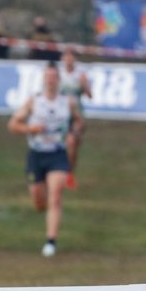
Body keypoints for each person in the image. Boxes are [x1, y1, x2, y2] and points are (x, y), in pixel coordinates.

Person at [7, 62, 82, 258]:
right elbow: (13, 124)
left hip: (57, 154)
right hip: (36, 154)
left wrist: (73, 134)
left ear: (58, 80)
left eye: (53, 77)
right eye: (47, 77)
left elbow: (78, 121)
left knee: (55, 197)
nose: (50, 80)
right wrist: (30, 129)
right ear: (43, 80)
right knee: (39, 202)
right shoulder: (34, 101)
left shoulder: (68, 102)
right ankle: (43, 206)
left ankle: (51, 241)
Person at [58, 47, 92, 189]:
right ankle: (57, 172)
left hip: (76, 114)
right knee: (61, 144)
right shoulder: (58, 74)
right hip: (60, 114)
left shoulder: (80, 75)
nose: (68, 59)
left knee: (73, 145)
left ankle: (70, 174)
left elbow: (90, 95)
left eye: (71, 56)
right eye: (66, 56)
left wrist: (84, 86)